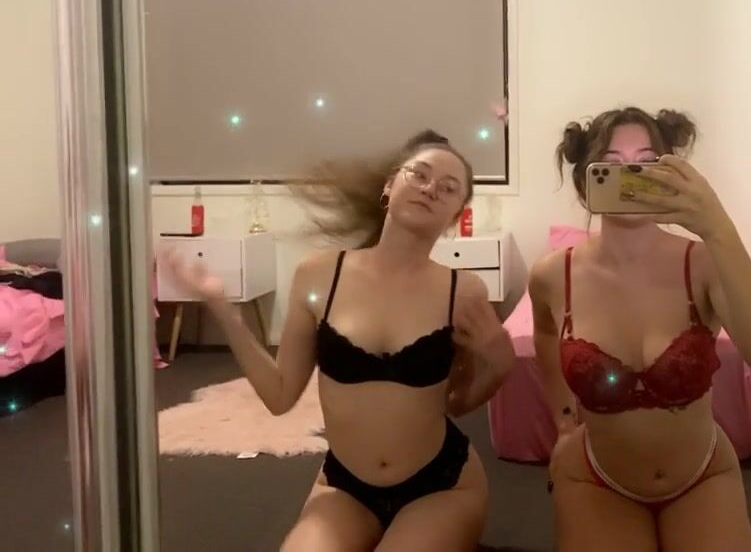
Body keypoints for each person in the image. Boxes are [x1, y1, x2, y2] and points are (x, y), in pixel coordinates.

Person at [163, 131, 514, 551]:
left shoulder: (464, 291)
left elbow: (456, 402)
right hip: (345, 486)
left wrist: (498, 365)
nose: (429, 189)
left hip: (441, 484)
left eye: (448, 187)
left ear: (457, 214)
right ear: (389, 186)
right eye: (419, 174)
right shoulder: (319, 275)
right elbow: (279, 396)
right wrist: (222, 307)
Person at [530, 107, 751, 551]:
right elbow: (546, 336)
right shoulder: (553, 275)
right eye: (611, 164)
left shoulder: (702, 263)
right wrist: (564, 419)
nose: (631, 175)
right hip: (596, 477)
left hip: (703, 475)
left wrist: (718, 228)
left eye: (647, 163)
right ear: (586, 184)